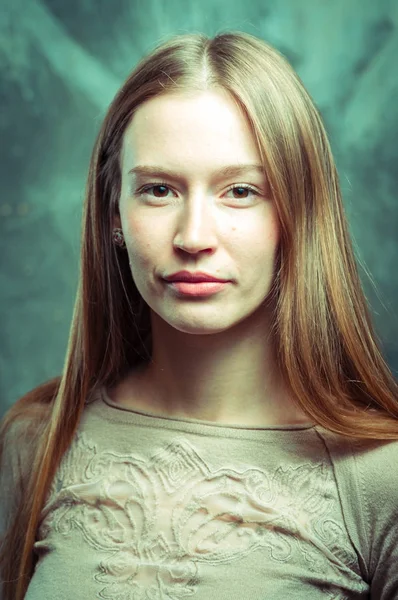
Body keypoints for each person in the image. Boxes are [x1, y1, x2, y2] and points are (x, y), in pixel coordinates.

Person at [1, 30, 398, 600]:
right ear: (114, 211)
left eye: (239, 191)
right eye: (159, 190)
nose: (193, 237)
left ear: (296, 215)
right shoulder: (35, 442)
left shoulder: (381, 478)